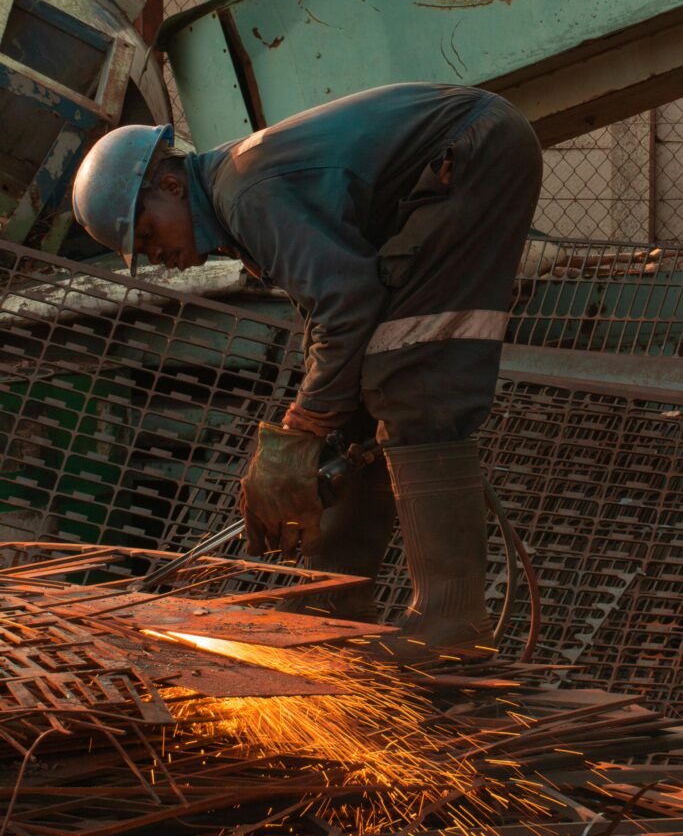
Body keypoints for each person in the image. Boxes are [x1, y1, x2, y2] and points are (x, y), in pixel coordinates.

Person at [72, 83, 542, 662]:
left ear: (170, 185)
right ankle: (331, 608)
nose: (157, 255)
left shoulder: (248, 195)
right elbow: (335, 313)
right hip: (464, 148)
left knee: (414, 373)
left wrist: (302, 426)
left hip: (473, 152)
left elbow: (344, 304)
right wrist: (323, 420)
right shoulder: (237, 199)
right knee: (363, 406)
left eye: (148, 235)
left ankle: (452, 622)